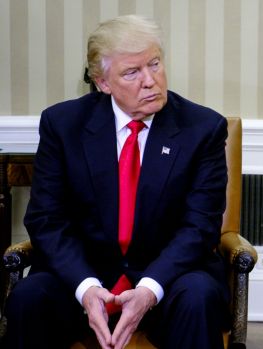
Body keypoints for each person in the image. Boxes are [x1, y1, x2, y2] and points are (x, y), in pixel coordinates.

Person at [4, 15, 230, 349]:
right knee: (29, 297)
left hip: (168, 281)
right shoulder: (63, 125)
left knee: (199, 296)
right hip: (84, 278)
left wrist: (149, 289)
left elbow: (199, 226)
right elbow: (46, 220)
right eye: (132, 72)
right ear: (102, 83)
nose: (150, 80)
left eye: (155, 64)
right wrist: (86, 287)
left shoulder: (203, 129)